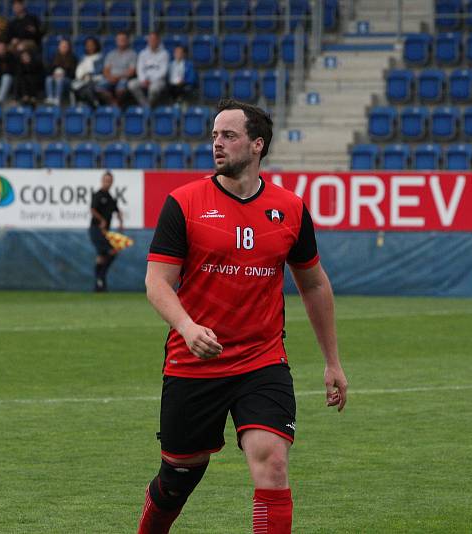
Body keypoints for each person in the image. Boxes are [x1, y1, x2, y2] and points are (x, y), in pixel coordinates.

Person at [137, 99, 349, 534]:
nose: (217, 144)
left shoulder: (289, 208)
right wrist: (187, 326)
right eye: (214, 135)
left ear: (257, 145)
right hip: (194, 362)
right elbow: (157, 281)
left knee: (272, 463)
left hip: (262, 361)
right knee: (179, 477)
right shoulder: (184, 202)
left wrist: (332, 361)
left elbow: (313, 284)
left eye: (228, 136)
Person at [89, 171, 123, 292]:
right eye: (106, 180)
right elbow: (92, 209)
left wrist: (121, 221)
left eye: (109, 181)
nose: (107, 183)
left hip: (105, 232)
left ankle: (99, 283)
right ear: (102, 181)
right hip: (96, 230)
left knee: (102, 256)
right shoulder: (98, 195)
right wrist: (101, 220)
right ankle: (100, 278)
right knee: (111, 251)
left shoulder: (110, 197)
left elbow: (117, 210)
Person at [127, 31, 168, 108]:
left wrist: (151, 80)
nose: (152, 41)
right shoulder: (143, 53)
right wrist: (143, 80)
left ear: (158, 40)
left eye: (154, 39)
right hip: (144, 79)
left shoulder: (164, 54)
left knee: (153, 89)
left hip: (158, 80)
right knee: (131, 84)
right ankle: (145, 105)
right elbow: (139, 68)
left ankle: (149, 106)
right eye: (150, 39)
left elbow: (163, 71)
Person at [96, 31, 135, 107]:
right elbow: (106, 70)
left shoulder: (132, 54)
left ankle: (117, 105)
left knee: (120, 89)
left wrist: (117, 77)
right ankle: (114, 103)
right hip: (111, 77)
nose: (121, 41)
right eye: (119, 39)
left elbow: (131, 72)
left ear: (127, 41)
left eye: (123, 39)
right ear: (116, 41)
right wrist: (109, 77)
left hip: (124, 77)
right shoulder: (111, 54)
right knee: (98, 88)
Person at [71, 36, 104, 107]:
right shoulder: (83, 58)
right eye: (88, 45)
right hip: (83, 80)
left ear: (96, 46)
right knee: (75, 86)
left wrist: (89, 75)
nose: (90, 47)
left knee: (88, 88)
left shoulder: (100, 57)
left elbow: (100, 70)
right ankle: (91, 103)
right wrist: (81, 76)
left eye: (92, 45)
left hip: (96, 79)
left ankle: (95, 104)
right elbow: (79, 70)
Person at [44, 37, 76, 106]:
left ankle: (57, 99)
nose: (63, 47)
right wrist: (53, 74)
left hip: (67, 80)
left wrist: (63, 74)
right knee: (48, 79)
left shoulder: (73, 58)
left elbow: (73, 73)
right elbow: (48, 70)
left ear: (69, 47)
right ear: (59, 47)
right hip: (55, 77)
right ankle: (50, 98)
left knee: (59, 80)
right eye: (62, 46)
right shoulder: (54, 57)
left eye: (65, 46)